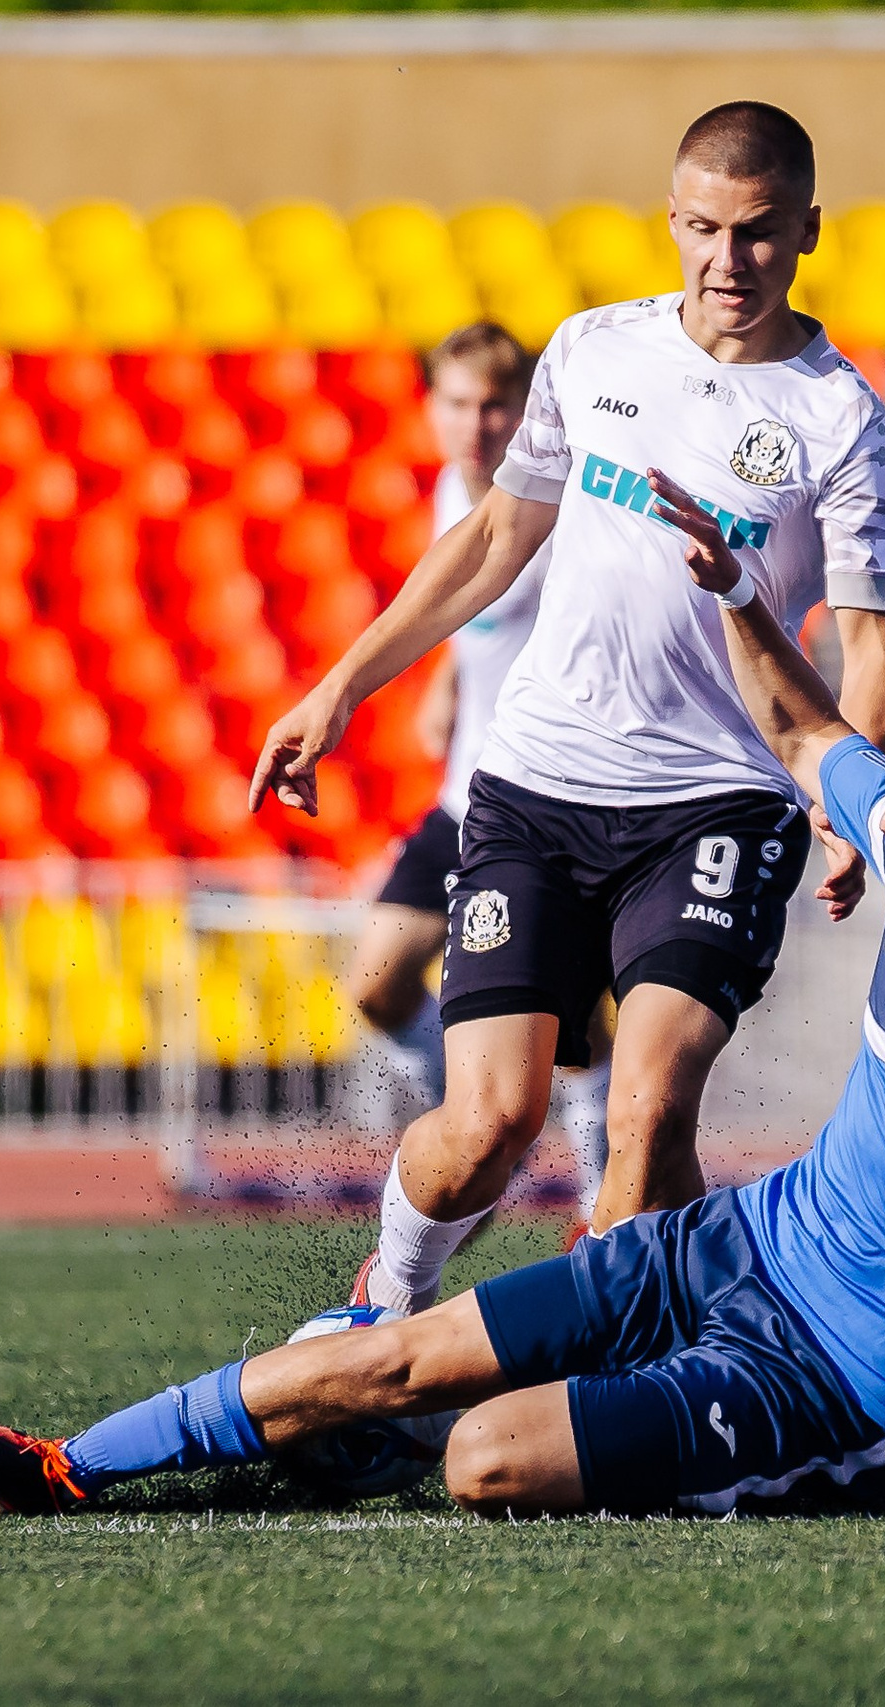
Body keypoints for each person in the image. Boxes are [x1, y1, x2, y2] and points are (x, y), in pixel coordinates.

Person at [0, 510, 885, 1523]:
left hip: (837, 1376)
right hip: (739, 1242)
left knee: (481, 1462)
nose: (881, 819)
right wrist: (732, 595)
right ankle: (69, 1465)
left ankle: (752, 1451)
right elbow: (809, 729)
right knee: (398, 1349)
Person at [249, 101, 885, 1312]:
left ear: (809, 230)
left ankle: (600, 1380)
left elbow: (872, 653)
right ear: (671, 222)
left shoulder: (845, 424)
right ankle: (384, 1313)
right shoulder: (591, 350)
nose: (730, 262)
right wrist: (340, 686)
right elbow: (498, 537)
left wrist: (850, 802)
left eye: (762, 233)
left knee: (647, 1104)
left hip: (716, 804)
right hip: (535, 790)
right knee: (485, 1127)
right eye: (706, 230)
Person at [343, 322, 614, 1229]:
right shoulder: (440, 496)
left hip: (546, 798)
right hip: (465, 796)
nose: (477, 422)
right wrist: (450, 683)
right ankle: (466, 1116)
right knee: (376, 981)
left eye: (495, 403)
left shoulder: (563, 503)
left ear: (527, 408)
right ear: (431, 409)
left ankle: (597, 1196)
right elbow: (471, 599)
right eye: (458, 402)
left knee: (568, 1030)